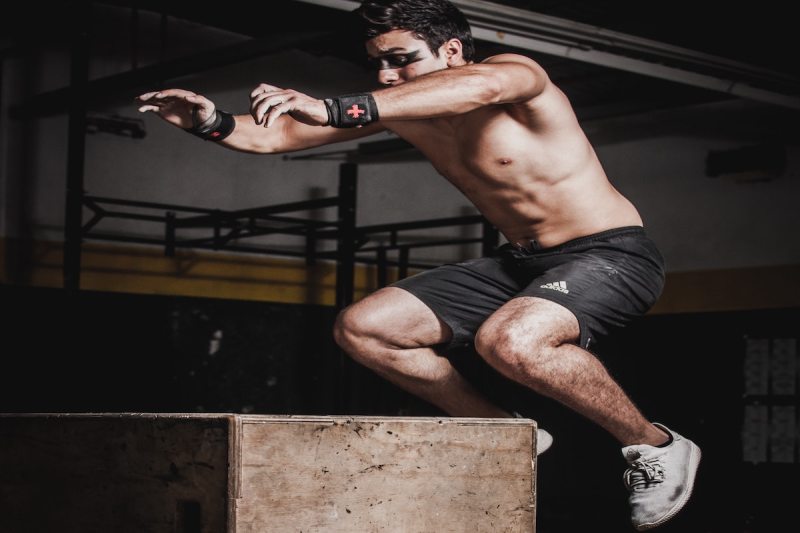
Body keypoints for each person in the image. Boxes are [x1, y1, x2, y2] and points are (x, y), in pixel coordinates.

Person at [136, 0, 700, 529]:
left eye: (402, 60)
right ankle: (508, 435)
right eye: (378, 64)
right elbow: (277, 133)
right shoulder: (407, 113)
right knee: (366, 329)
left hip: (610, 252)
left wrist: (340, 105)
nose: (386, 76)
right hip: (522, 262)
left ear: (452, 50)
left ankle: (655, 445)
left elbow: (483, 83)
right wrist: (209, 121)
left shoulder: (515, 78)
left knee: (511, 343)